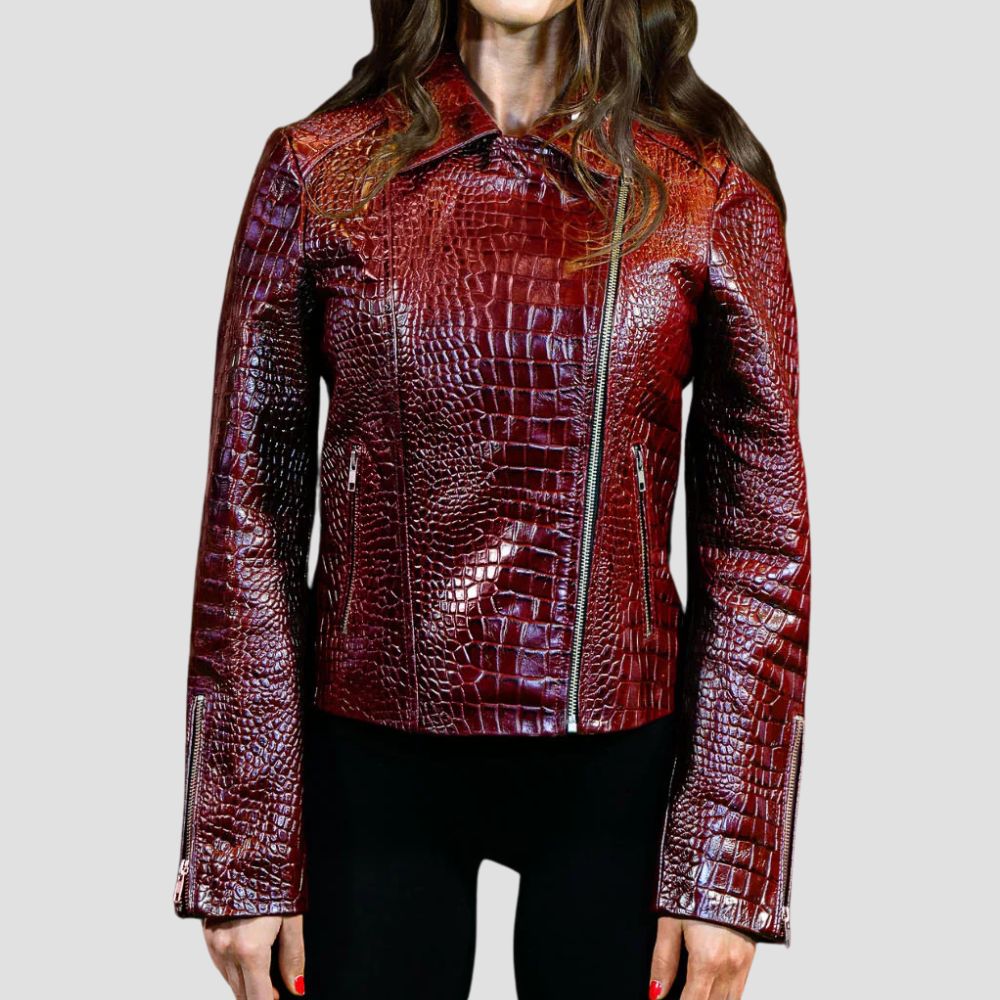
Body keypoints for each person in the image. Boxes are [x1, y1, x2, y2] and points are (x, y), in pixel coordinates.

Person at [172, 2, 811, 998]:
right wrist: (244, 843)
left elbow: (757, 544)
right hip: (369, 761)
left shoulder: (704, 187)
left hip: (620, 767)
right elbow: (249, 513)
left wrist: (725, 864)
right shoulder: (318, 169)